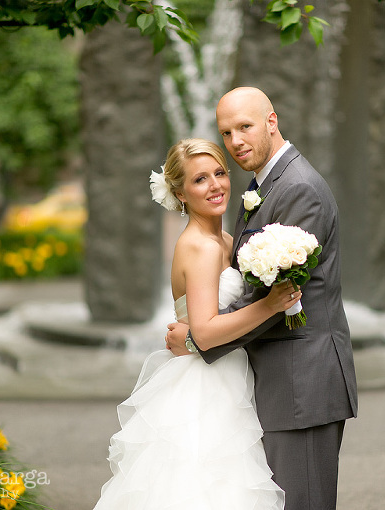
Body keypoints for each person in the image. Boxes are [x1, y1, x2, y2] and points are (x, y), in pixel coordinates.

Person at [166, 87, 358, 510]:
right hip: (275, 382)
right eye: (227, 132)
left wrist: (200, 340)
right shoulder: (264, 186)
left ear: (271, 121)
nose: (235, 141)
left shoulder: (297, 189)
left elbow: (282, 297)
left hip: (300, 383)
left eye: (245, 127)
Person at [92, 138, 301, 509]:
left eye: (219, 173)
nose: (216, 185)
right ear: (180, 193)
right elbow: (203, 332)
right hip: (207, 388)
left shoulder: (222, 239)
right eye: (200, 179)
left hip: (226, 371)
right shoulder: (201, 247)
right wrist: (271, 305)